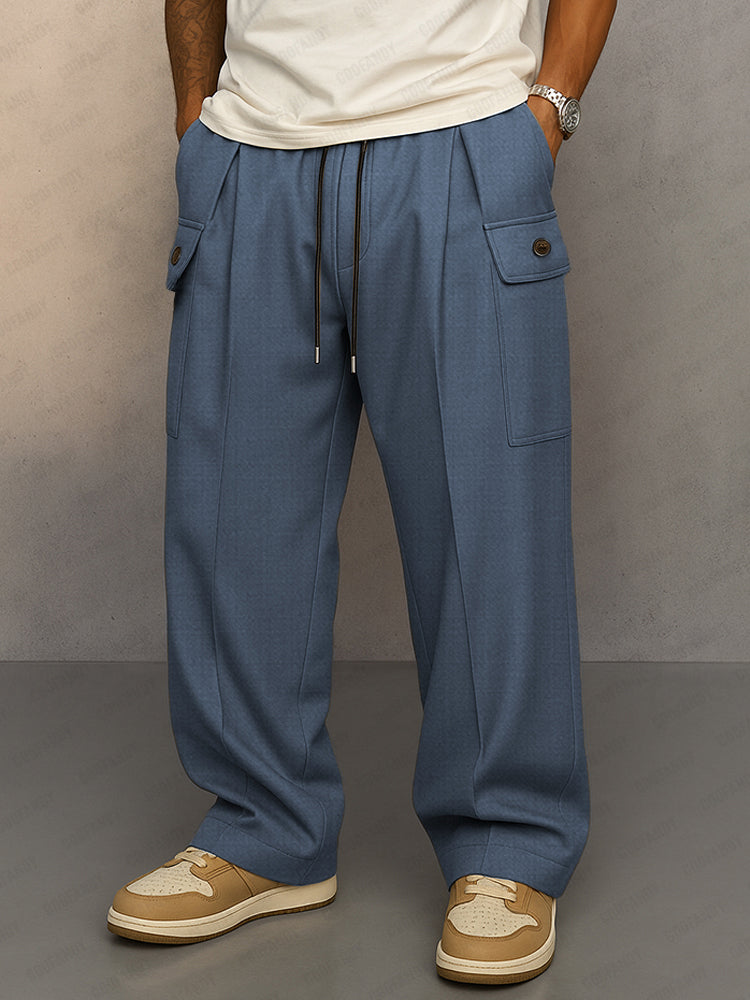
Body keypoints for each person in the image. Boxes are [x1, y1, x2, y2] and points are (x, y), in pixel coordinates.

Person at [106, 0, 616, 984]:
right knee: (234, 515)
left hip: (459, 135)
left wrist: (550, 108)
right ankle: (263, 827)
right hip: (252, 150)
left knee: (488, 518)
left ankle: (509, 841)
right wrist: (196, 124)